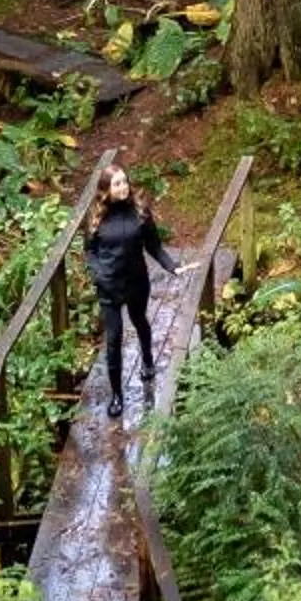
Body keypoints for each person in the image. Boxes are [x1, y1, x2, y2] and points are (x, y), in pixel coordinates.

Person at [85, 167, 179, 419]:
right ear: (106, 189)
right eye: (116, 184)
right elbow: (90, 251)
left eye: (124, 182)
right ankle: (116, 395)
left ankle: (147, 360)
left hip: (137, 281)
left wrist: (173, 266)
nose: (123, 187)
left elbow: (154, 246)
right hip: (109, 286)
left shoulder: (140, 212)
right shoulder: (96, 216)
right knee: (113, 339)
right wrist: (98, 275)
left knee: (140, 321)